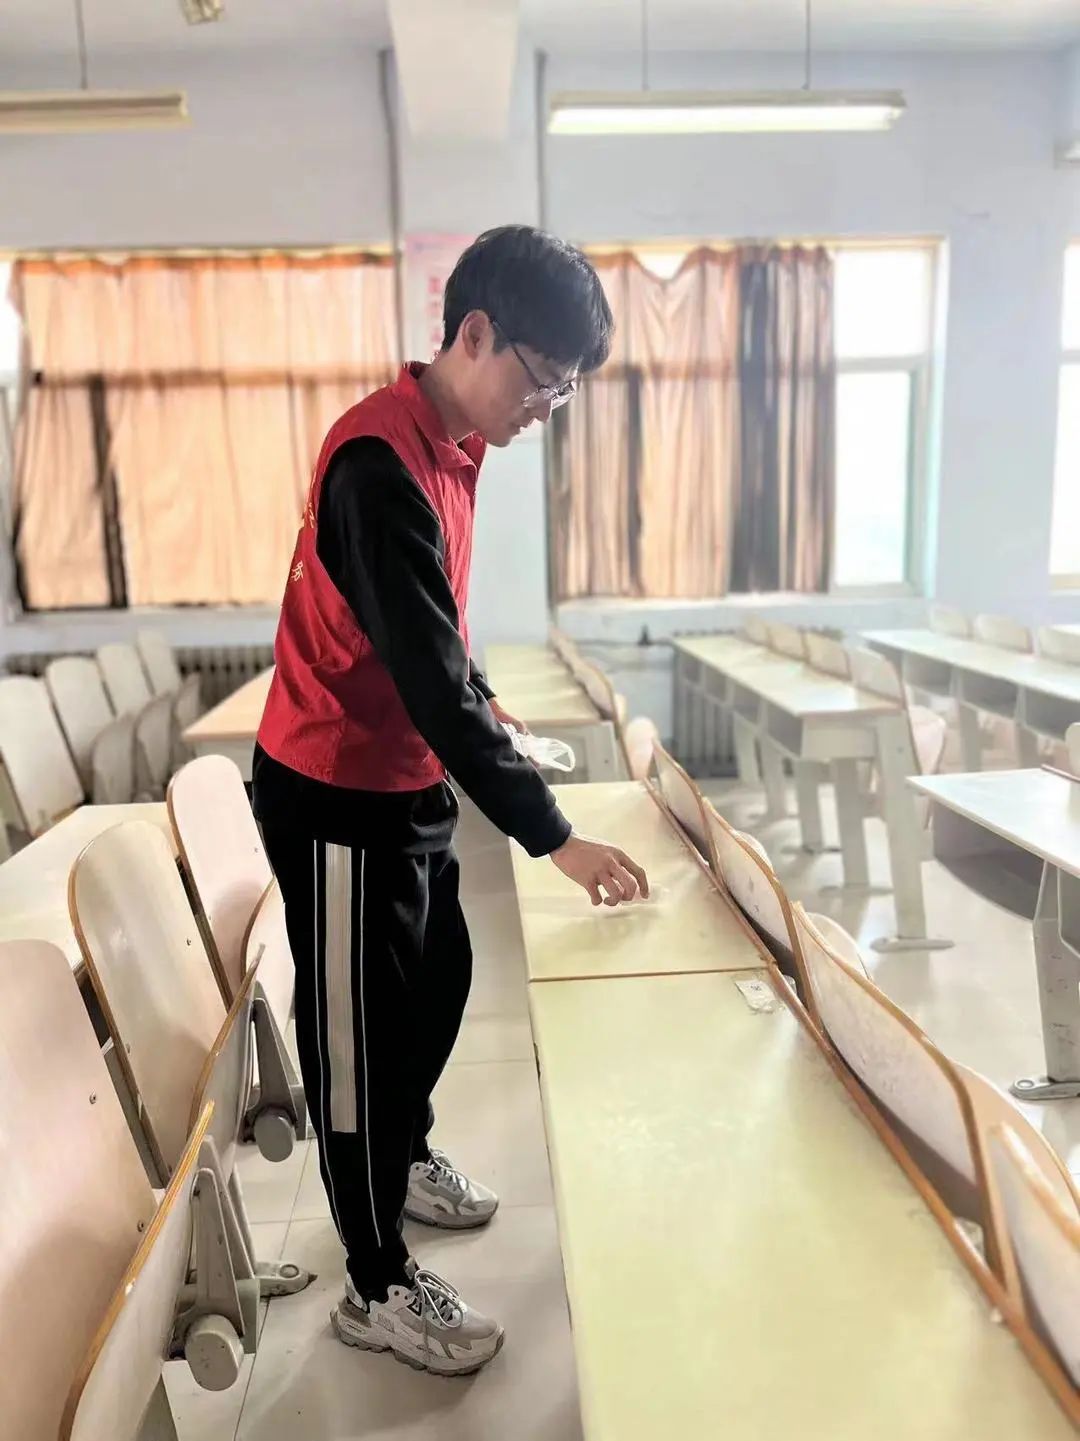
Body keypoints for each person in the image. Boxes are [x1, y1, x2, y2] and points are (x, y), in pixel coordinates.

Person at [253, 225, 648, 1378]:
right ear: (474, 334)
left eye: (564, 391)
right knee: (358, 1048)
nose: (546, 409)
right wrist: (556, 839)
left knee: (439, 983)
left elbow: (434, 636)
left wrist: (486, 704)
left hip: (403, 774)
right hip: (335, 789)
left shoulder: (454, 446)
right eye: (542, 381)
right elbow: (427, 679)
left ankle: (405, 1155)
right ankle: (374, 1284)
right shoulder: (378, 465)